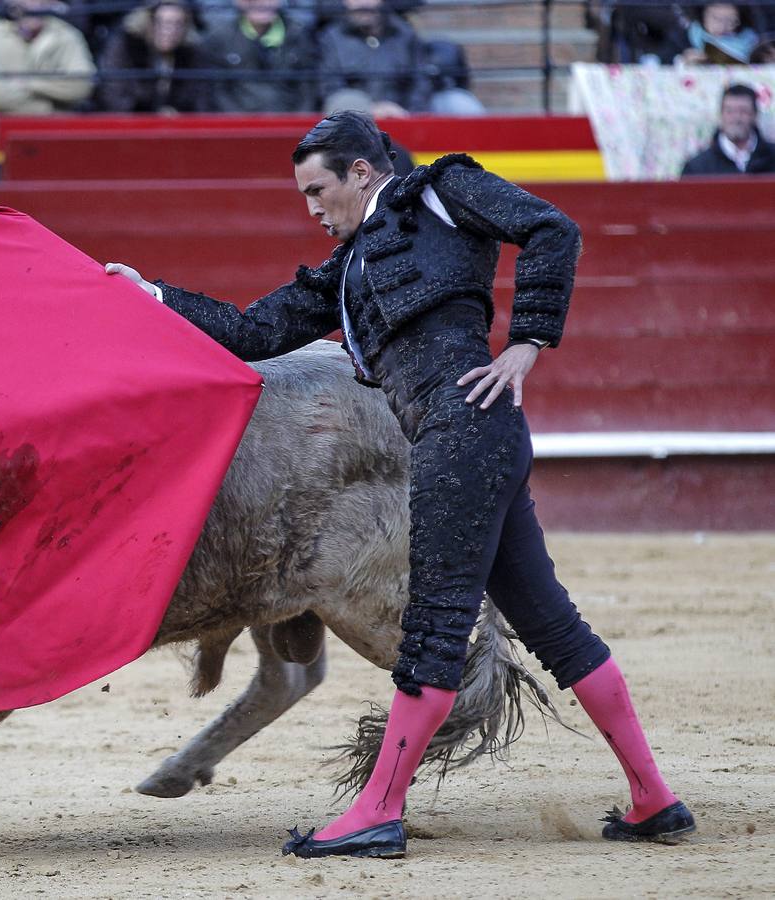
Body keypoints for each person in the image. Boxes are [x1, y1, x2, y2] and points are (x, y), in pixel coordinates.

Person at [106, 110, 695, 859]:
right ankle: (652, 797)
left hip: (460, 432)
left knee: (435, 632)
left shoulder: (441, 191)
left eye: (318, 191)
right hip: (472, 437)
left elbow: (553, 230)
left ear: (361, 171)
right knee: (551, 626)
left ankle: (376, 811)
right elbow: (252, 333)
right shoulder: (346, 267)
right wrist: (151, 295)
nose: (312, 209)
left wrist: (527, 340)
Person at [316, 0, 484, 116]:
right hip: (357, 120)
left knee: (459, 103)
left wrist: (408, 112)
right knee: (344, 101)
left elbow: (420, 81)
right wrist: (371, 109)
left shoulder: (405, 34)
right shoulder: (331, 38)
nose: (363, 3)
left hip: (405, 113)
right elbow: (330, 88)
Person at [0, 0, 97, 114]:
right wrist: (47, 107)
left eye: (40, 3)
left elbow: (81, 86)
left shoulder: (68, 35)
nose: (33, 8)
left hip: (59, 125)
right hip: (3, 124)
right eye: (26, 2)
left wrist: (27, 83)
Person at [197, 0, 319, 113]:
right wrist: (240, 125)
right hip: (239, 126)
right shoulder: (219, 37)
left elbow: (308, 89)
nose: (262, 3)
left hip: (291, 124)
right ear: (238, 2)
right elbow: (218, 92)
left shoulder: (299, 34)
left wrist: (300, 126)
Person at [97, 0, 212, 113]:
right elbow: (114, 97)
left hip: (179, 127)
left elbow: (200, 102)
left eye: (178, 24)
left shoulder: (192, 55)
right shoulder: (124, 47)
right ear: (148, 22)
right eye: (162, 23)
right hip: (131, 125)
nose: (169, 31)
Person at [681, 82, 775, 176]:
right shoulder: (697, 168)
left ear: (755, 115)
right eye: (730, 111)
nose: (736, 118)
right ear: (721, 115)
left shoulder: (772, 158)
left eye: (743, 111)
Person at [679, 2, 761, 63]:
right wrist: (686, 59)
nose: (723, 26)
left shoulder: (749, 38)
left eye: (731, 20)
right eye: (716, 19)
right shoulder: (695, 32)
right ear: (703, 16)